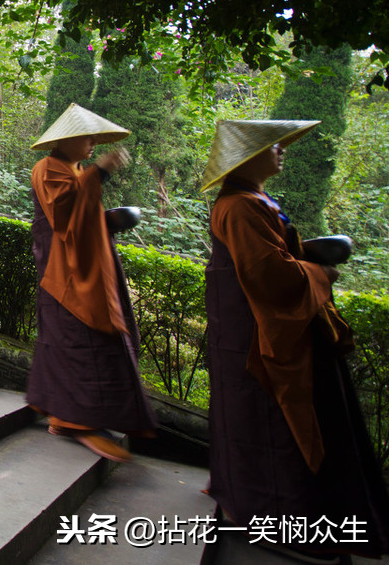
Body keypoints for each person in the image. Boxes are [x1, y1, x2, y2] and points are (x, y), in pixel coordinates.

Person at [202, 119, 389, 561]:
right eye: (273, 145)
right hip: (255, 336)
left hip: (254, 326)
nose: (282, 150)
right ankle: (276, 515)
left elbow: (277, 259)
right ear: (249, 156)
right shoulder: (240, 206)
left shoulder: (253, 200)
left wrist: (306, 261)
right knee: (268, 419)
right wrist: (319, 273)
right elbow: (270, 275)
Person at [26, 103, 156, 463]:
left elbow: (83, 216)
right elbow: (64, 211)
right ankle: (72, 419)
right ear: (67, 139)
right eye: (88, 137)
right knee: (76, 335)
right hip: (62, 267)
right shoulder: (48, 167)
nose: (94, 144)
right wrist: (98, 173)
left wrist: (105, 217)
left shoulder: (75, 168)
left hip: (82, 263)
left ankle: (65, 412)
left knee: (76, 335)